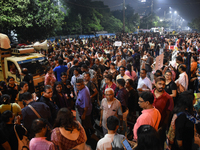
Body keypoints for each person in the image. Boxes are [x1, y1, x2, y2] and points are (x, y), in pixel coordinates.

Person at [152, 76, 174, 147]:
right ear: (155, 84)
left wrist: (163, 127)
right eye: (159, 84)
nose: (161, 86)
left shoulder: (168, 98)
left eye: (163, 84)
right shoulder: (150, 94)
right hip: (150, 124)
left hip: (160, 126)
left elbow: (168, 114)